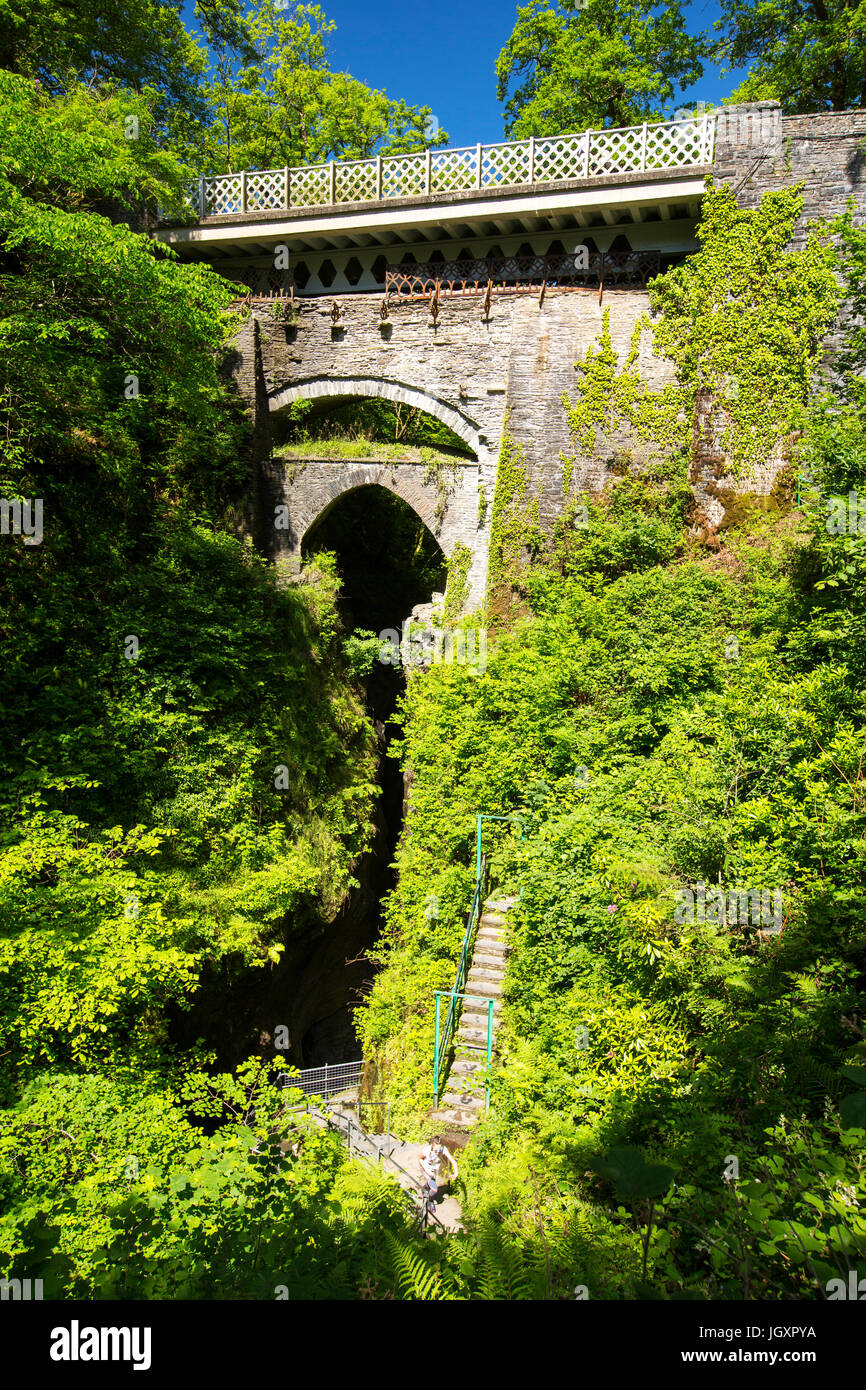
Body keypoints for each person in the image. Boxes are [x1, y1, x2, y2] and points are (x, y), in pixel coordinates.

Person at [419, 1135, 458, 1208]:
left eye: (439, 1150)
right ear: (432, 1146)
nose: (438, 1152)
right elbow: (420, 1158)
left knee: (431, 1183)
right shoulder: (427, 1150)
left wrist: (455, 1173)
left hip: (434, 1169)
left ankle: (425, 1188)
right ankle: (429, 1199)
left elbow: (453, 1161)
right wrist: (427, 1170)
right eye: (436, 1150)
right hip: (425, 1168)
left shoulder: (443, 1149)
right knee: (434, 1189)